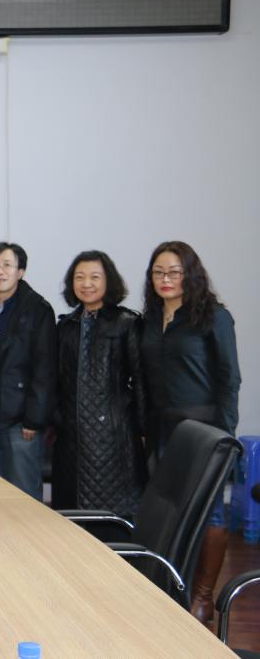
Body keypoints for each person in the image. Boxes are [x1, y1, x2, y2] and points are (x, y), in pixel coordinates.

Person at [140, 240, 241, 625]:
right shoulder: (151, 318)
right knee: (170, 510)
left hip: (204, 430)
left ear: (190, 274)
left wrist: (225, 434)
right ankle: (172, 589)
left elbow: (229, 379)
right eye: (158, 272)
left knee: (211, 511)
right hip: (161, 429)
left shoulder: (214, 316)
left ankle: (202, 597)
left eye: (174, 272)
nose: (165, 279)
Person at [52, 250, 146, 519]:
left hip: (115, 437)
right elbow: (56, 380)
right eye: (79, 277)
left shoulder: (127, 323)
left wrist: (143, 429)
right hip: (72, 437)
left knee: (114, 513)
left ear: (109, 281)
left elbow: (140, 380)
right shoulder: (66, 326)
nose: (86, 284)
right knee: (72, 514)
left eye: (95, 277)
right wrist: (58, 418)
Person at [0, 242, 55, 499]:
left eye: (7, 265)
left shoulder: (38, 309)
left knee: (23, 495)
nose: (0, 271)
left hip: (21, 421)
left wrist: (34, 418)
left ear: (20, 272)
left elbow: (45, 368)